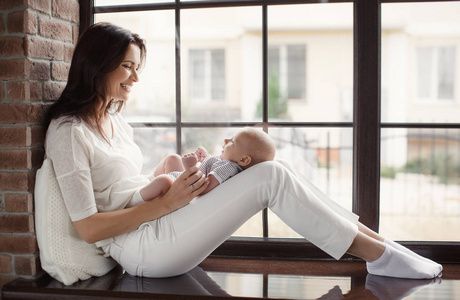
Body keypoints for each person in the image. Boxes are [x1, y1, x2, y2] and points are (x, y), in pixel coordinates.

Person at [42, 22, 442, 282]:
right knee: (269, 176)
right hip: (140, 249)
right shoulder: (68, 132)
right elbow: (89, 228)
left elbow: (127, 186)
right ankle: (380, 255)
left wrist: (176, 179)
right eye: (127, 66)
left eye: (136, 67)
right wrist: (167, 203)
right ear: (99, 65)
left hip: (158, 225)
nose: (135, 76)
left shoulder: (116, 122)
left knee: (275, 168)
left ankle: (381, 245)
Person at [146, 127, 276, 198]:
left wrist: (190, 167)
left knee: (162, 181)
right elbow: (213, 171)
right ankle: (145, 183)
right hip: (181, 182)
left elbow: (202, 188)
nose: (225, 140)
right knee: (173, 158)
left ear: (243, 160)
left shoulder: (229, 168)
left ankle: (138, 199)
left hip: (181, 190)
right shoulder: (227, 165)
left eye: (232, 141)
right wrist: (206, 157)